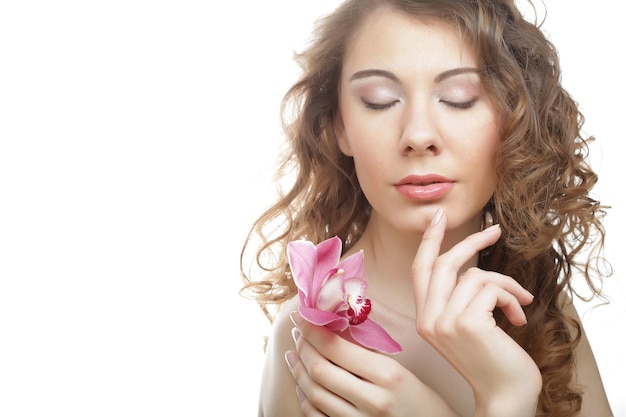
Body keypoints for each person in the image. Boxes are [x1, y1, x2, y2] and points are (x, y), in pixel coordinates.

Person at [239, 0, 614, 416]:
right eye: (380, 100)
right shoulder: (313, 340)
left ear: (514, 119)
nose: (418, 135)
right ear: (339, 125)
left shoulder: (539, 306)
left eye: (459, 98)